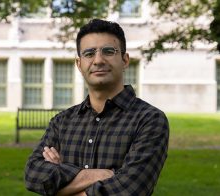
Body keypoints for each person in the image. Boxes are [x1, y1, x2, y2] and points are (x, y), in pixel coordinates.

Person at [25, 18, 169, 196]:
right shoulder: (62, 122)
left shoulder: (149, 120)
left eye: (108, 51)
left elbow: (130, 190)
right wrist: (102, 175)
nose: (98, 60)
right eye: (89, 53)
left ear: (125, 60)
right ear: (79, 63)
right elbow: (33, 175)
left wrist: (59, 184)